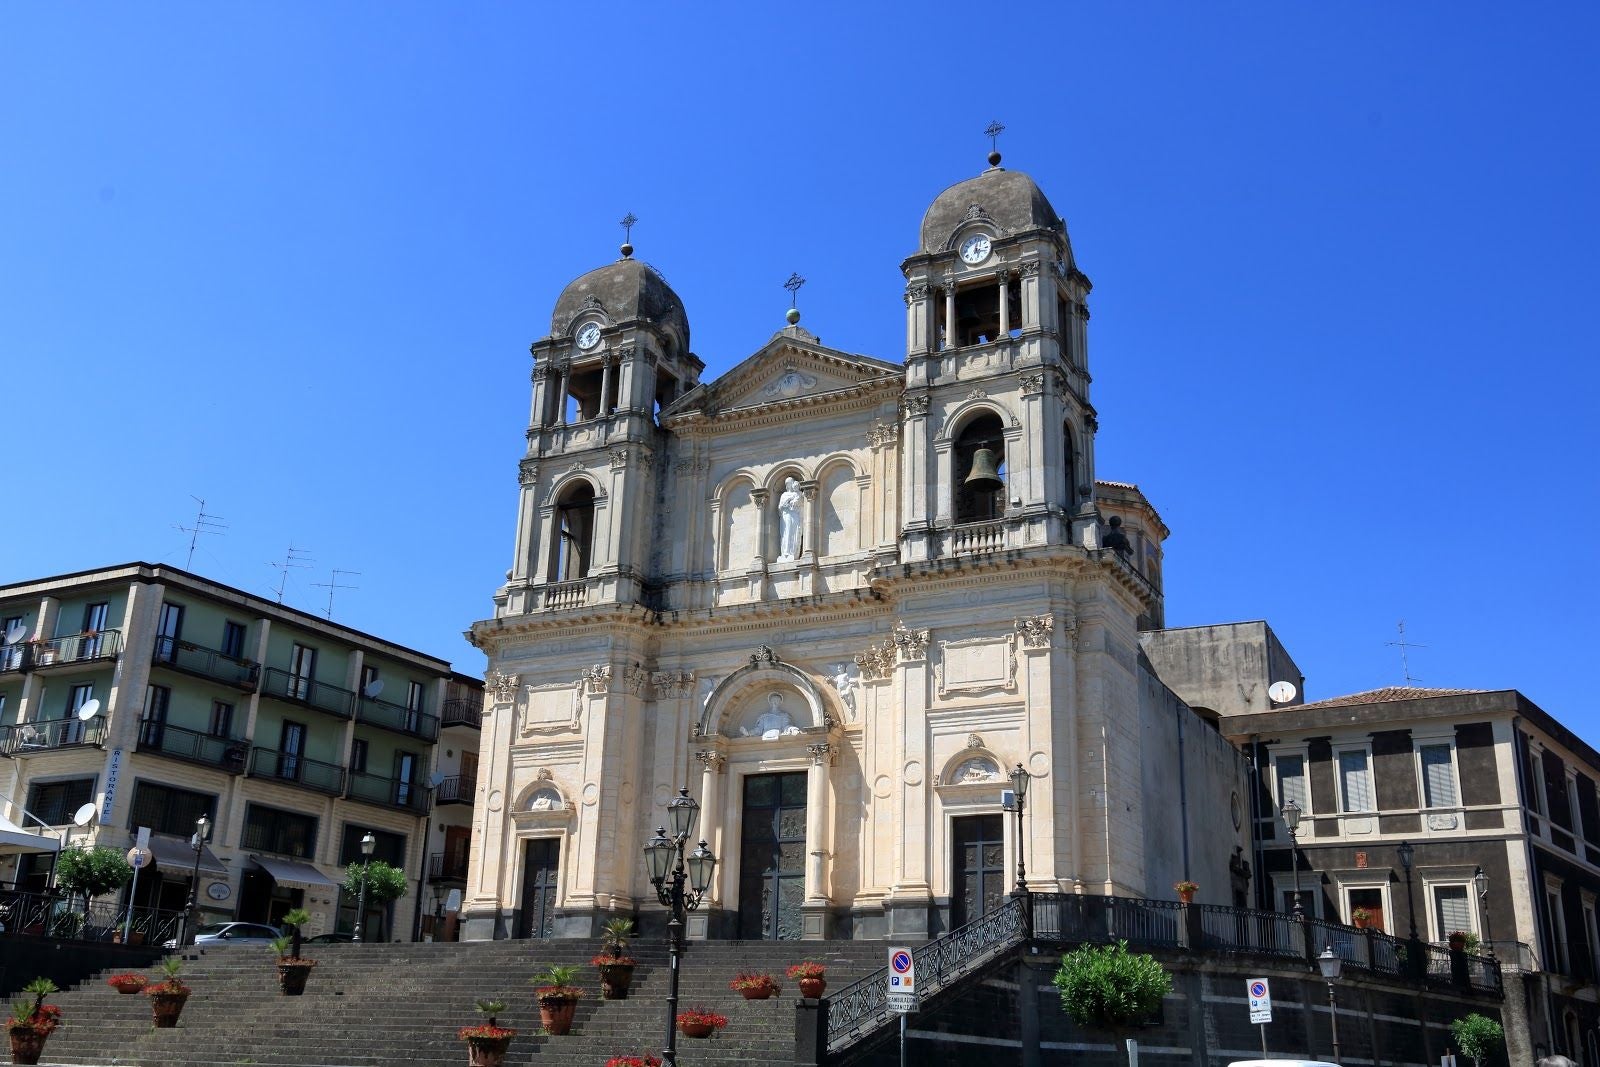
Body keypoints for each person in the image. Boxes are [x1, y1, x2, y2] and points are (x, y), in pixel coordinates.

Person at [776, 477, 803, 561]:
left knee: (794, 533)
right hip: (785, 516)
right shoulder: (784, 495)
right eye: (787, 483)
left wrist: (797, 495)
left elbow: (800, 503)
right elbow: (780, 507)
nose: (788, 485)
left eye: (790, 483)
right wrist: (786, 503)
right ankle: (785, 553)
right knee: (785, 534)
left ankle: (793, 552)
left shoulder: (797, 494)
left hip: (794, 515)